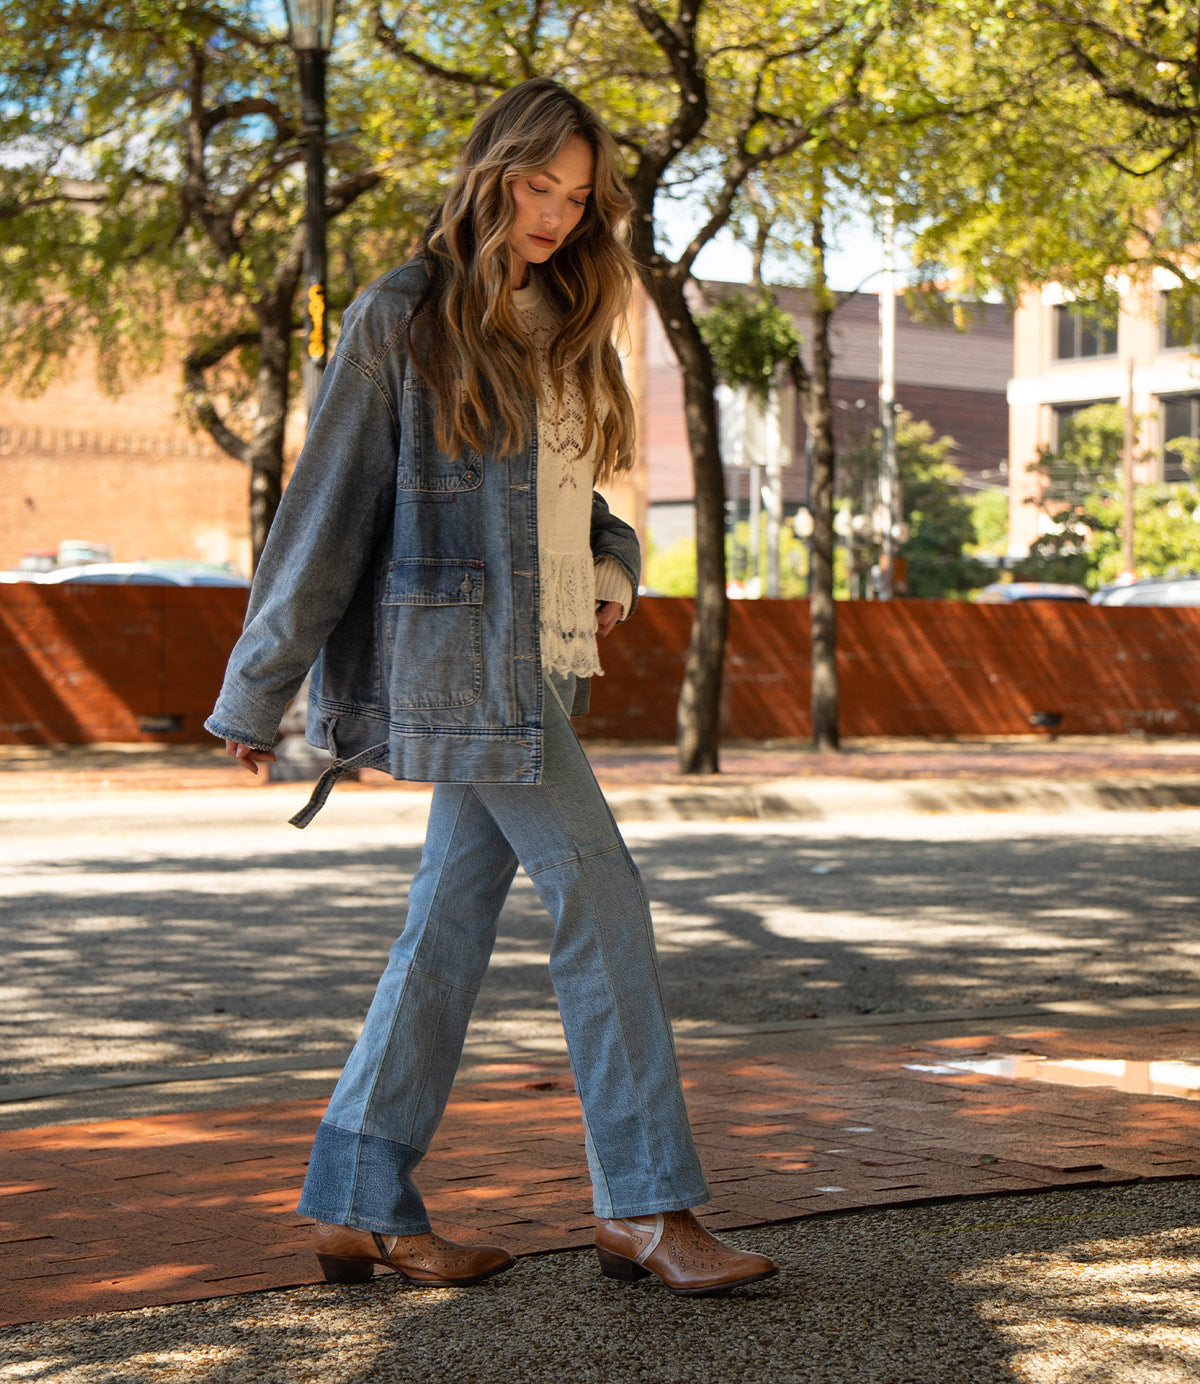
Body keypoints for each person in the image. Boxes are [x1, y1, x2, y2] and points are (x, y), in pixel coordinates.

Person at [206, 78, 776, 1298]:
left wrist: (616, 560)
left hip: (554, 658)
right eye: (537, 187)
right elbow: (326, 513)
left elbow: (578, 499)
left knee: (446, 930)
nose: (557, 215)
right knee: (604, 902)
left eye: (578, 198)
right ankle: (644, 1204)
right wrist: (258, 691)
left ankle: (360, 1199)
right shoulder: (403, 317)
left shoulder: (562, 316)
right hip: (475, 672)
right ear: (489, 171)